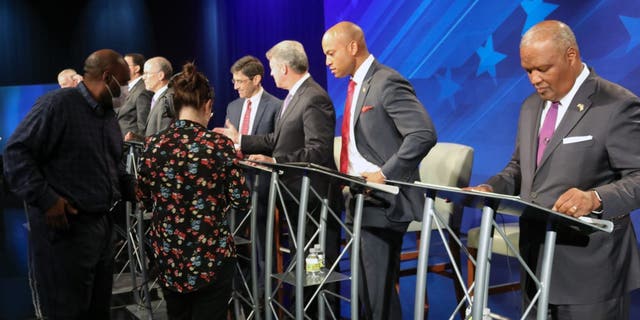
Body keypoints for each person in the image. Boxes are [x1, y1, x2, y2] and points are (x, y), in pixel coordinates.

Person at [466, 20, 640, 319]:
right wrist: (491, 188)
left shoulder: (616, 105)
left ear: (571, 56)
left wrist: (596, 198)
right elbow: (520, 168)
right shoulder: (531, 107)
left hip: (591, 272)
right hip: (535, 263)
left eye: (543, 69)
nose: (534, 78)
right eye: (528, 71)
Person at [3, 49, 134, 319]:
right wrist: (47, 200)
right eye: (123, 84)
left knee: (98, 311)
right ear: (107, 77)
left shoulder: (108, 116)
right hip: (65, 233)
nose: (126, 91)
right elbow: (16, 153)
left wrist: (133, 187)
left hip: (101, 229)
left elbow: (113, 165)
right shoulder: (57, 105)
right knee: (66, 311)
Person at [214, 40, 339, 314]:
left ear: (283, 68)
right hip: (295, 195)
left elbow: (317, 151)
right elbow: (276, 139)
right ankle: (303, 311)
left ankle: (319, 312)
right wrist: (241, 140)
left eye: (272, 68)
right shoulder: (296, 95)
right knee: (302, 262)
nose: (270, 74)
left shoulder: (313, 97)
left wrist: (276, 160)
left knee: (315, 266)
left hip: (314, 200)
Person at [322, 21, 437, 319]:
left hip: (384, 199)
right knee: (367, 291)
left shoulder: (386, 81)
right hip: (360, 197)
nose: (327, 61)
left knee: (377, 291)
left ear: (352, 47)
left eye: (331, 53)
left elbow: (423, 133)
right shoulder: (355, 85)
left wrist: (384, 173)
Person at [137, 62, 250, 320]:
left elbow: (142, 198)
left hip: (168, 255)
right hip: (212, 254)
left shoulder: (154, 145)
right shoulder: (219, 145)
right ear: (208, 105)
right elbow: (240, 199)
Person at [225, 55, 281, 299]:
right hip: (235, 180)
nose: (236, 86)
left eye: (240, 81)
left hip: (263, 181)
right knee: (232, 236)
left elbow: (276, 144)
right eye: (234, 81)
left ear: (257, 79)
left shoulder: (277, 106)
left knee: (261, 240)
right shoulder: (233, 106)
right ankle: (238, 286)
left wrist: (241, 141)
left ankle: (263, 291)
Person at [117, 53, 152, 139]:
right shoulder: (125, 88)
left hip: (131, 147)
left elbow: (143, 127)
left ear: (136, 68)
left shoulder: (143, 91)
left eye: (125, 65)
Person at [143, 56, 174, 137]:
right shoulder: (159, 97)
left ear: (161, 75)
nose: (143, 77)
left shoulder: (167, 99)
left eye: (146, 73)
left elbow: (163, 137)